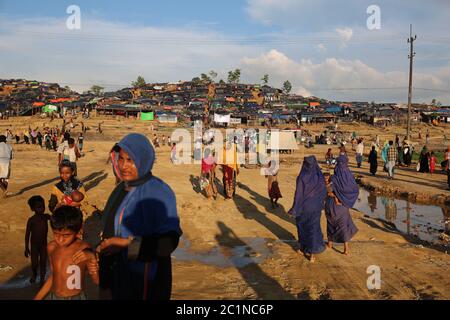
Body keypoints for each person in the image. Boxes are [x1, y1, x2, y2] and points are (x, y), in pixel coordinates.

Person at [98, 133, 182, 300]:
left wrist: (126, 245)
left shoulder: (158, 191)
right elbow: (109, 229)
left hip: (145, 282)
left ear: (143, 159)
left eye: (130, 160)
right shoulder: (121, 189)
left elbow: (167, 243)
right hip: (118, 276)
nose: (123, 166)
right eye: (121, 159)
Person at [34, 206, 99, 300]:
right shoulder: (51, 247)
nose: (60, 239)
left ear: (78, 231)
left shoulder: (84, 249)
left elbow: (97, 281)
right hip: (53, 297)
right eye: (56, 234)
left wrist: (93, 258)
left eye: (66, 235)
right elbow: (53, 276)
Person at [288, 156, 327, 263]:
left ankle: (303, 248)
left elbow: (298, 194)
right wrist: (320, 203)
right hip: (315, 207)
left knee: (303, 227)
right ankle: (312, 254)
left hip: (304, 207)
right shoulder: (319, 176)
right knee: (313, 228)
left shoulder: (302, 177)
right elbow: (324, 191)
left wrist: (295, 208)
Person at [324, 155, 359, 255]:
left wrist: (334, 195)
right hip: (343, 206)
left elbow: (328, 190)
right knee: (343, 226)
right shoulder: (350, 177)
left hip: (331, 205)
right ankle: (346, 249)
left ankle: (330, 243)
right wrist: (345, 200)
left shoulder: (334, 178)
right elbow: (355, 191)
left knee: (330, 223)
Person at [25, 196, 51, 286]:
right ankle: (34, 274)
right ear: (33, 209)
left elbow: (55, 219)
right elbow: (27, 234)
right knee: (34, 263)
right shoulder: (31, 220)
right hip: (34, 246)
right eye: (39, 207)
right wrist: (26, 247)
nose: (42, 209)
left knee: (43, 262)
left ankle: (42, 279)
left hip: (44, 244)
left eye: (43, 206)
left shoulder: (46, 216)